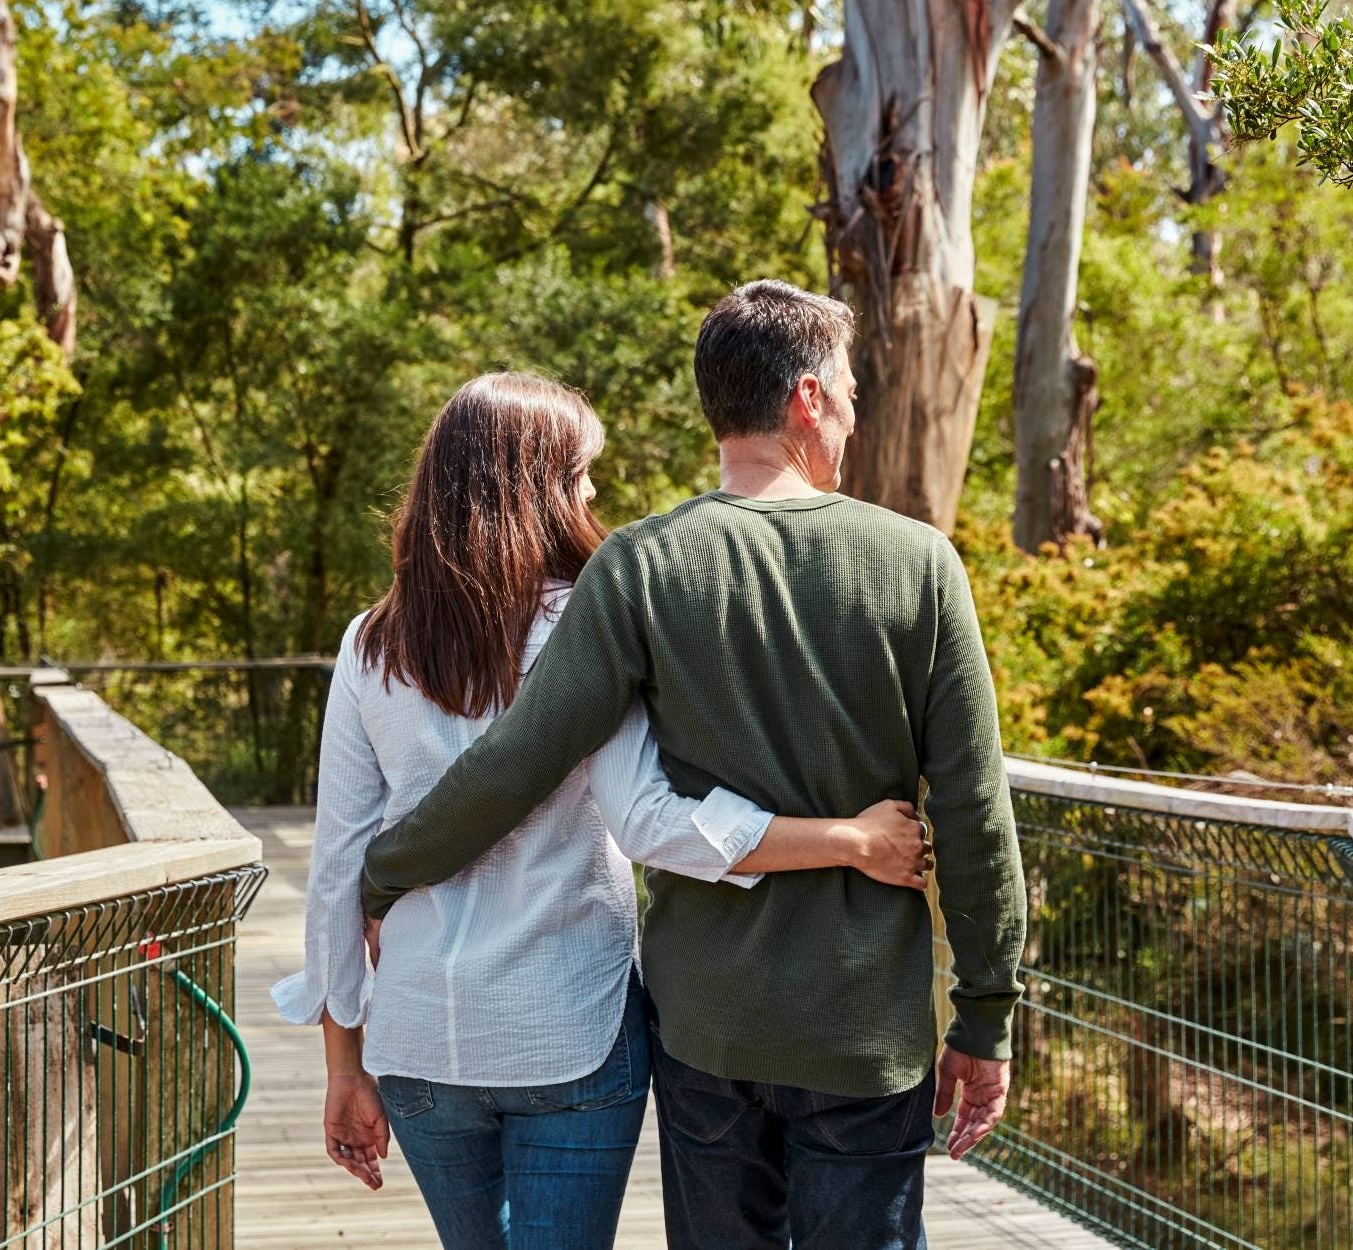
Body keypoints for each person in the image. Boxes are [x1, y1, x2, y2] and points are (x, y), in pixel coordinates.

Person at [362, 282, 1029, 1250]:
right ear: (805, 397)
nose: (852, 410)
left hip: (705, 1030)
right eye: (846, 389)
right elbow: (972, 806)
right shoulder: (918, 562)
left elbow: (520, 757)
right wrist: (985, 1014)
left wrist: (386, 869)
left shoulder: (640, 564)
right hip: (860, 1030)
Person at [274, 370, 936, 1250]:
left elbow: (336, 867)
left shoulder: (372, 643)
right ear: (537, 486)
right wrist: (846, 839)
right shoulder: (596, 620)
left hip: (417, 1039)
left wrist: (342, 1063)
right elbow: (650, 821)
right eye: (582, 471)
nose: (593, 491)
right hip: (571, 1031)